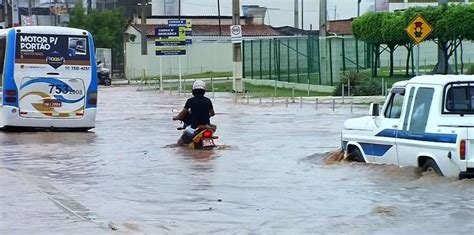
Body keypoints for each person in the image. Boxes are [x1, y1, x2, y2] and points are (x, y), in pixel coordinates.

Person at [173, 80, 216, 146]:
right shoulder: (208, 100)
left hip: (194, 127)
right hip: (206, 127)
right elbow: (212, 113)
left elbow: (182, 114)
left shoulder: (190, 101)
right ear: (204, 91)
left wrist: (176, 117)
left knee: (179, 144)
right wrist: (206, 115)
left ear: (193, 91)